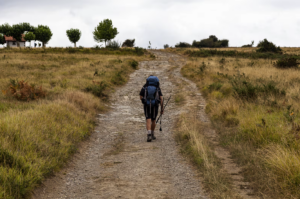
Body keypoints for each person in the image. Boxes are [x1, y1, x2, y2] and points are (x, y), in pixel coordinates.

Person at [140, 75, 164, 142]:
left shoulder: (145, 86)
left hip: (147, 105)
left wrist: (146, 101)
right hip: (155, 105)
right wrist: (162, 109)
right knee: (153, 120)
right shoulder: (157, 87)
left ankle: (149, 135)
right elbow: (161, 99)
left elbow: (140, 97)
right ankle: (152, 134)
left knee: (148, 119)